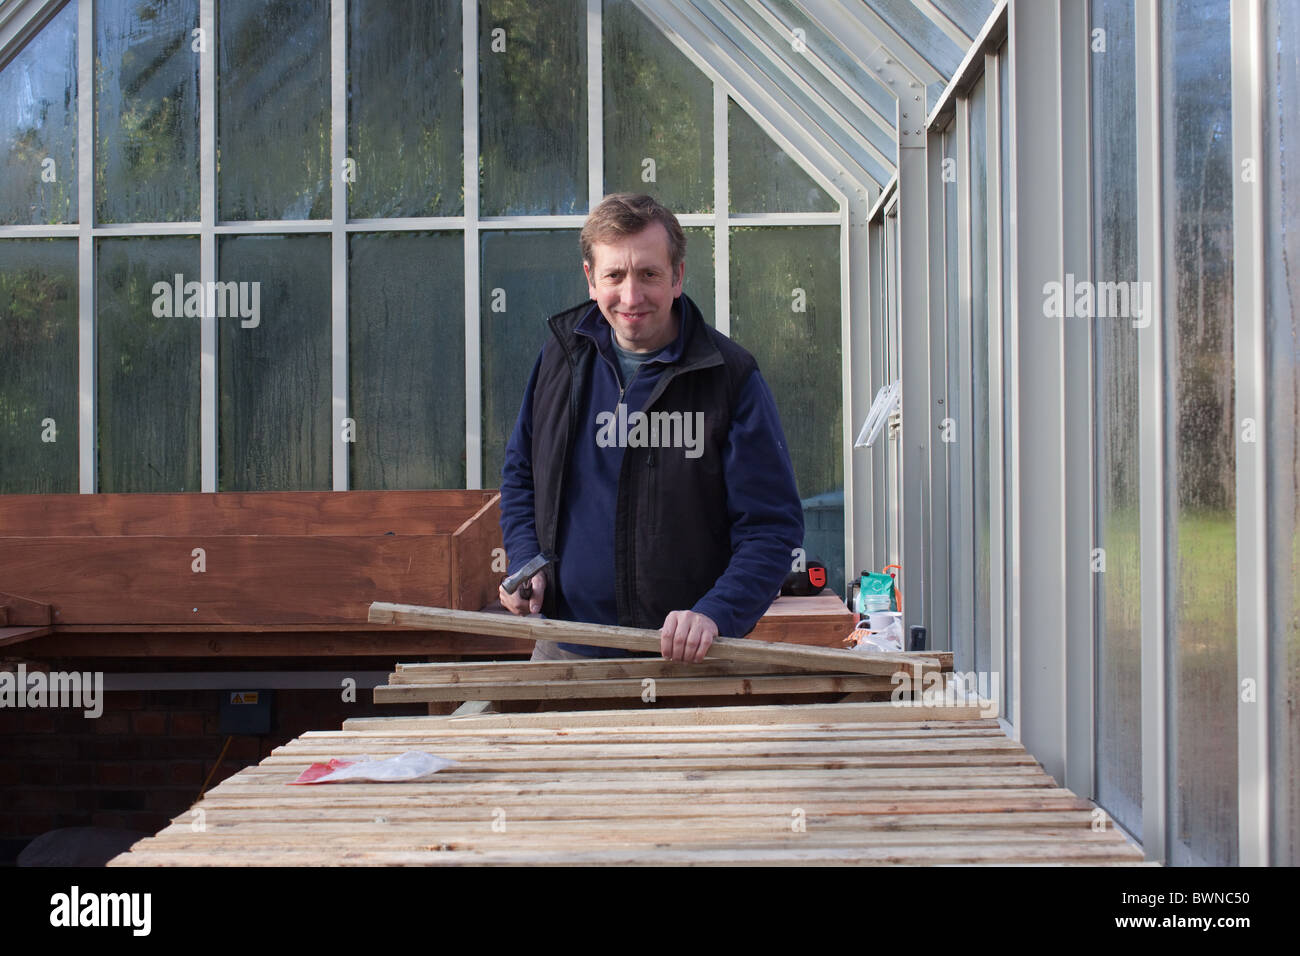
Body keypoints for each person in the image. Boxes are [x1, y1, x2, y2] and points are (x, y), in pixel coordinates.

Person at [497, 193, 804, 664]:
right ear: (590, 279)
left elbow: (771, 528)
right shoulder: (560, 359)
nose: (631, 297)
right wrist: (524, 562)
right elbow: (521, 476)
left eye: (649, 274)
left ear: (677, 277)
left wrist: (715, 613)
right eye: (614, 275)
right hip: (564, 651)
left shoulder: (729, 376)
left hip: (686, 660)